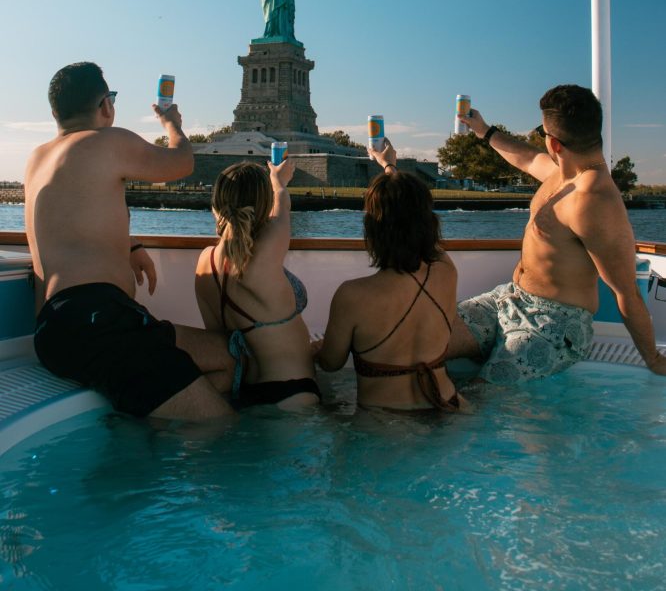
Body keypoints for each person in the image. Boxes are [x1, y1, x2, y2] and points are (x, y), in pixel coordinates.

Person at [27, 61, 235, 421]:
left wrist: (130, 244)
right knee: (221, 425)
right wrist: (173, 125)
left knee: (228, 357)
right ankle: (151, 447)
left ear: (55, 112)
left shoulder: (36, 159)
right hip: (99, 323)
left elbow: (71, 217)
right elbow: (181, 162)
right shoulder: (108, 139)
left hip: (56, 329)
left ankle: (152, 427)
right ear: (106, 104)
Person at [447, 83, 666, 382]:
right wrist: (485, 131)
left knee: (480, 398)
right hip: (509, 299)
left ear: (555, 144)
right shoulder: (561, 171)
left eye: (543, 132)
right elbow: (524, 157)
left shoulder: (594, 202)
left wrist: (653, 358)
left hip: (552, 327)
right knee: (424, 340)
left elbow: (626, 291)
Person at [314, 141, 466, 412]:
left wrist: (309, 348)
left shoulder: (353, 295)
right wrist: (389, 167)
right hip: (449, 406)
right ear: (429, 223)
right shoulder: (446, 270)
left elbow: (330, 363)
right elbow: (411, 217)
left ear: (372, 230)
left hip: (384, 425)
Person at [195, 159, 320, 409]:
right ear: (261, 204)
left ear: (216, 202)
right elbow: (282, 206)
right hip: (293, 393)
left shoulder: (205, 262)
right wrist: (278, 182)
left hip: (245, 395)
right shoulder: (266, 251)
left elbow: (220, 340)